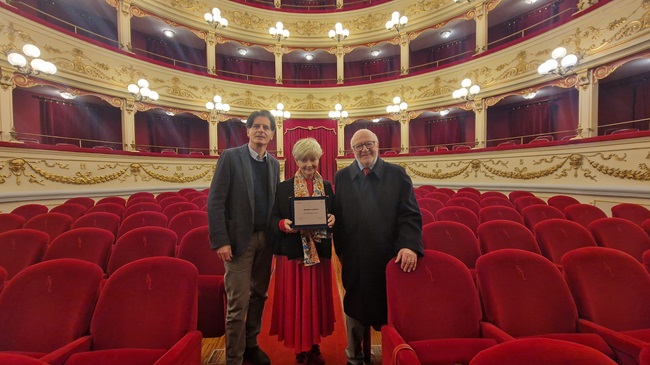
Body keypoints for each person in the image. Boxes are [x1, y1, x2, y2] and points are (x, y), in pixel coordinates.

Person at [332, 129, 423, 365]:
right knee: (353, 309)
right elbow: (338, 218)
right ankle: (354, 357)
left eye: (368, 144)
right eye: (358, 146)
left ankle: (391, 356)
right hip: (354, 259)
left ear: (378, 144)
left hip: (388, 260)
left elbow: (410, 216)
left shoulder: (397, 174)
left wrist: (409, 246)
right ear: (351, 151)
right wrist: (341, 251)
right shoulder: (342, 177)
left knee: (388, 312)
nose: (364, 150)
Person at [207, 110, 281, 365]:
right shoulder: (230, 157)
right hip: (239, 242)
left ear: (272, 135)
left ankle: (251, 344)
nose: (261, 130)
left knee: (259, 296)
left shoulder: (274, 164)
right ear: (247, 131)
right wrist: (221, 240)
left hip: (266, 240)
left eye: (266, 127)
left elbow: (275, 203)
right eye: (256, 126)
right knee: (238, 303)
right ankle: (234, 358)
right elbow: (215, 201)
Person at [269, 138, 336, 365]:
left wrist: (333, 217)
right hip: (294, 255)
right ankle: (300, 349)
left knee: (315, 301)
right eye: (304, 159)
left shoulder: (326, 186)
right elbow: (273, 219)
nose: (309, 164)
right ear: (296, 160)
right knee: (296, 302)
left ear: (319, 159)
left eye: (313, 159)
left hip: (319, 254)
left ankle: (314, 344)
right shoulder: (283, 187)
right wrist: (283, 225)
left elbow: (335, 214)